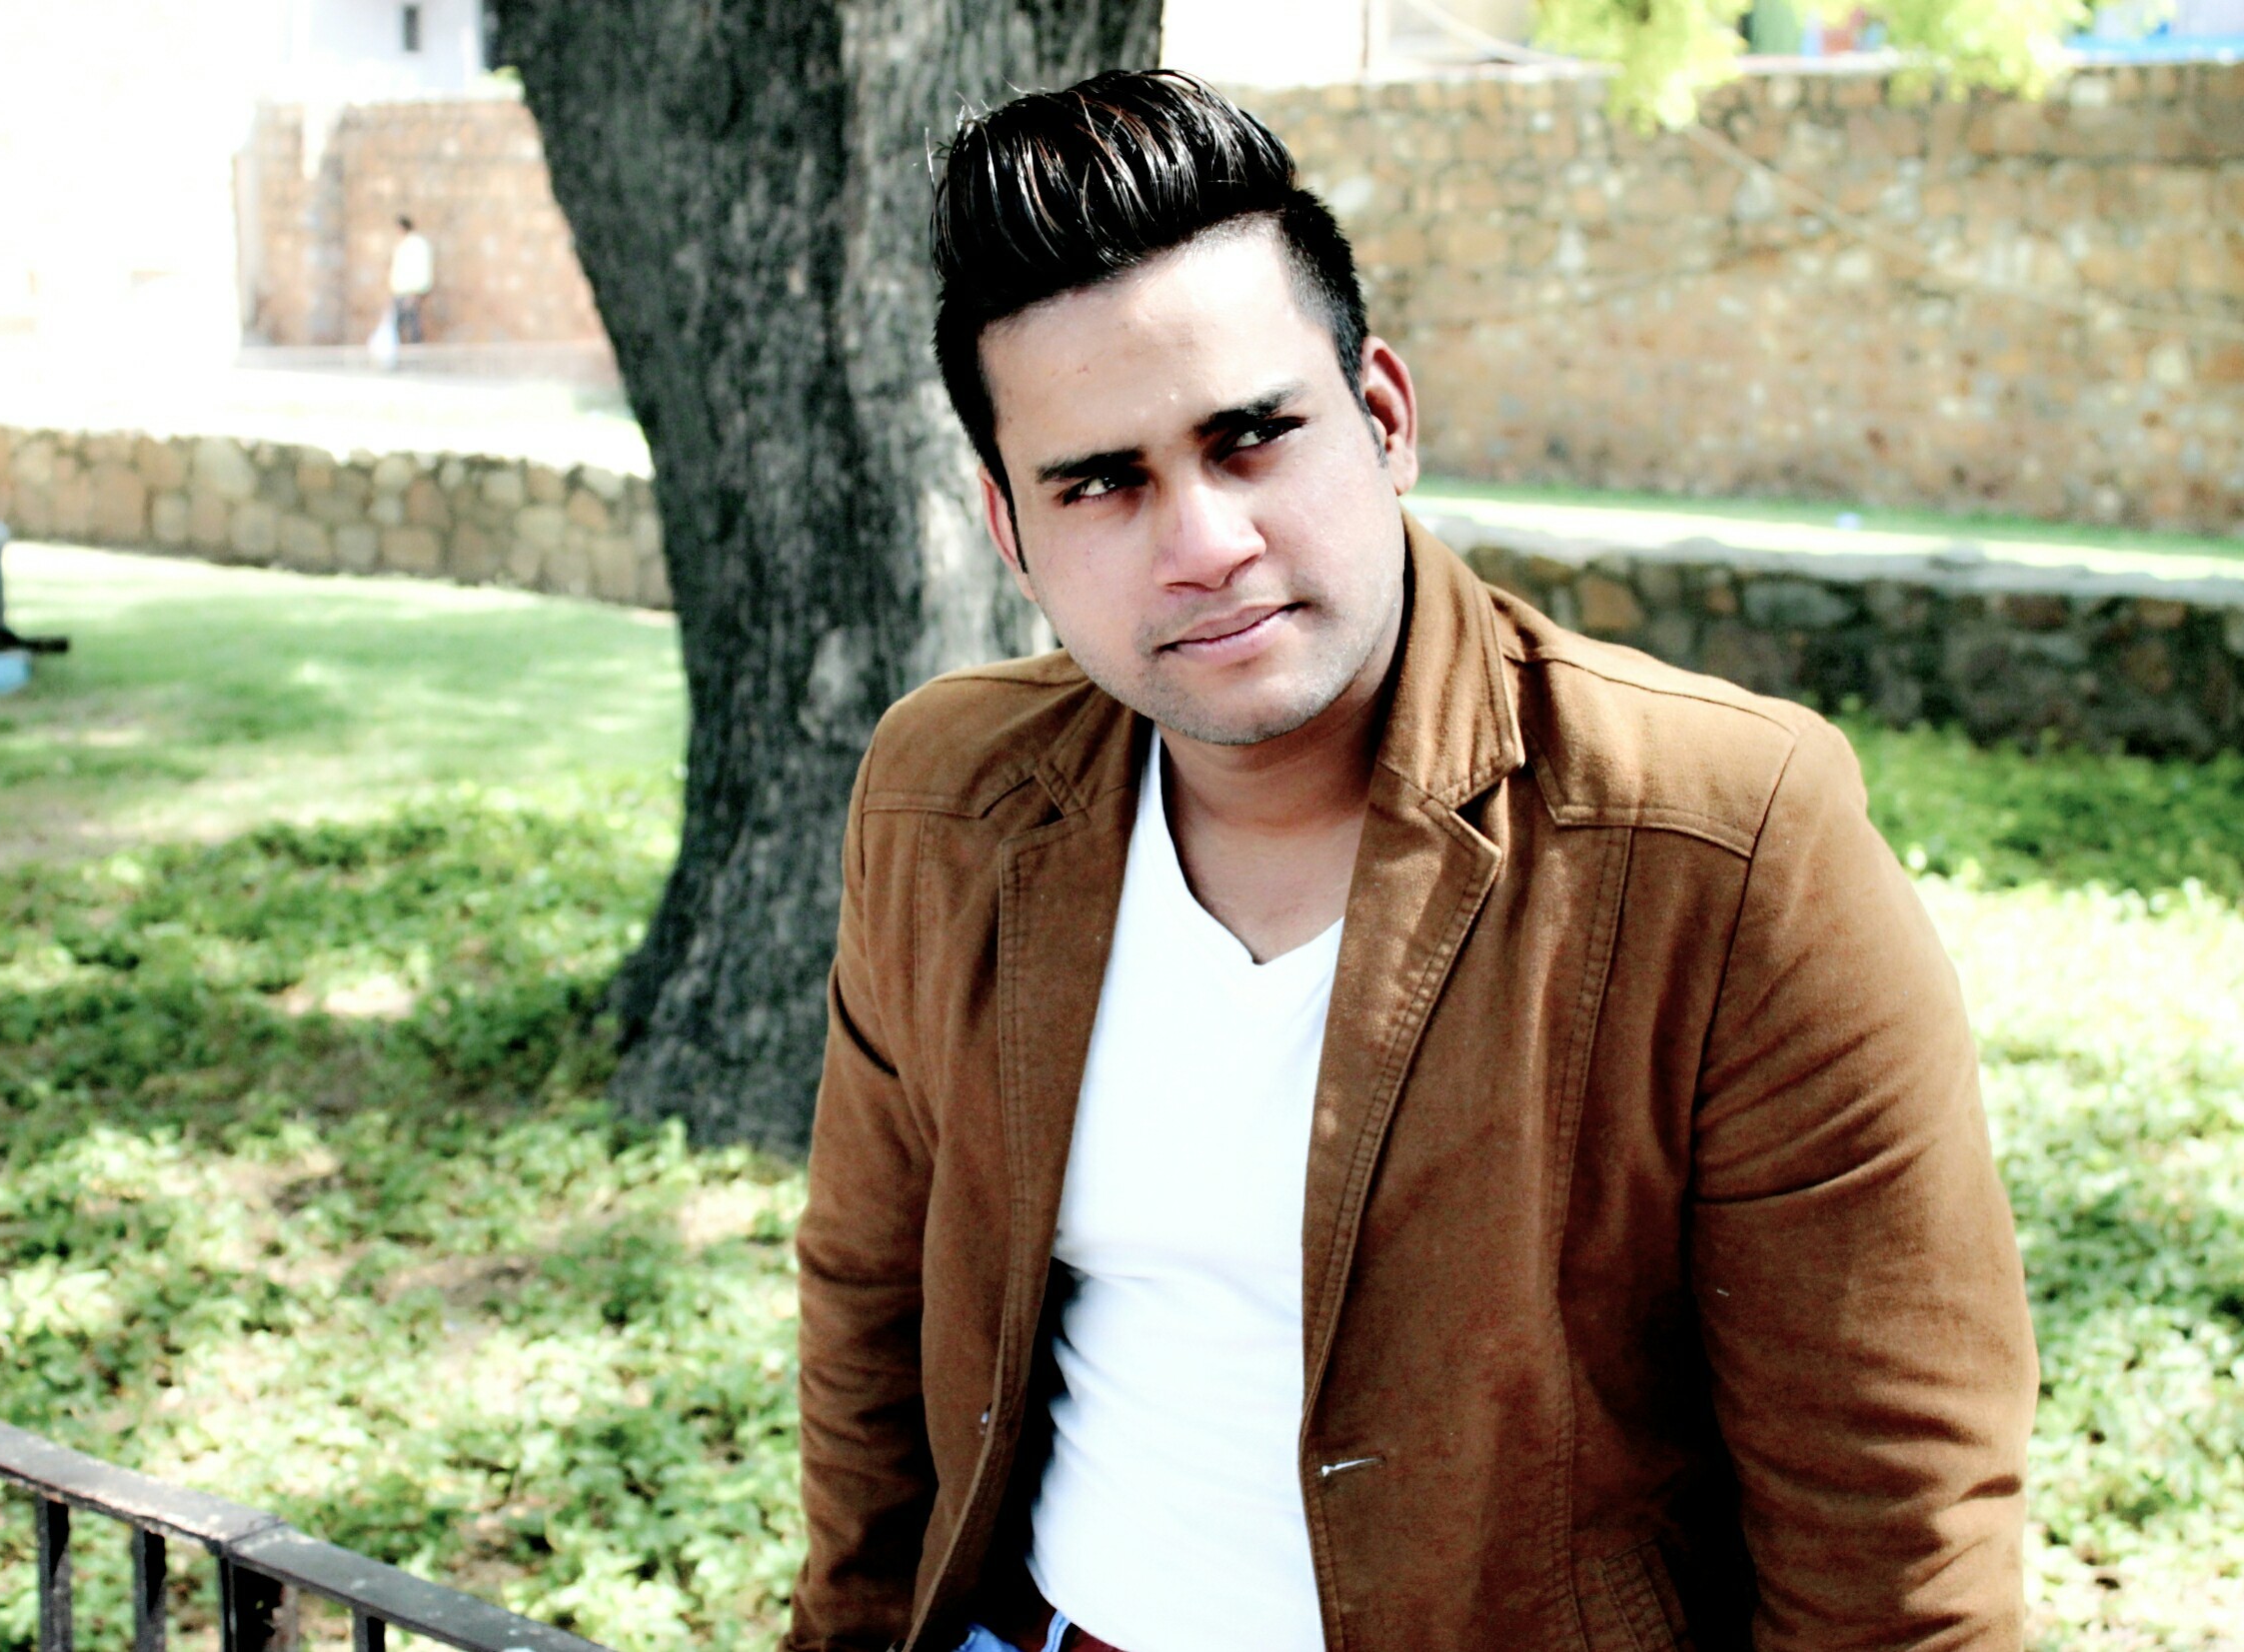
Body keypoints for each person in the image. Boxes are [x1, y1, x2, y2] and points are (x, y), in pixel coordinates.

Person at [788, 70, 2037, 1652]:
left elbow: (1892, 1522)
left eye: (1253, 437)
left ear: (1382, 419)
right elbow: (871, 1309)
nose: (1205, 544)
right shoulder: (947, 799)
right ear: (1006, 526)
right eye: (1101, 482)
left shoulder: (1720, 839)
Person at [389, 214, 434, 348]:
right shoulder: (402, 244)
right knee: (399, 325)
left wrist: (417, 292)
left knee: (413, 324)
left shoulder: (417, 245)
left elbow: (421, 268)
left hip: (411, 291)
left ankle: (416, 352)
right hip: (400, 291)